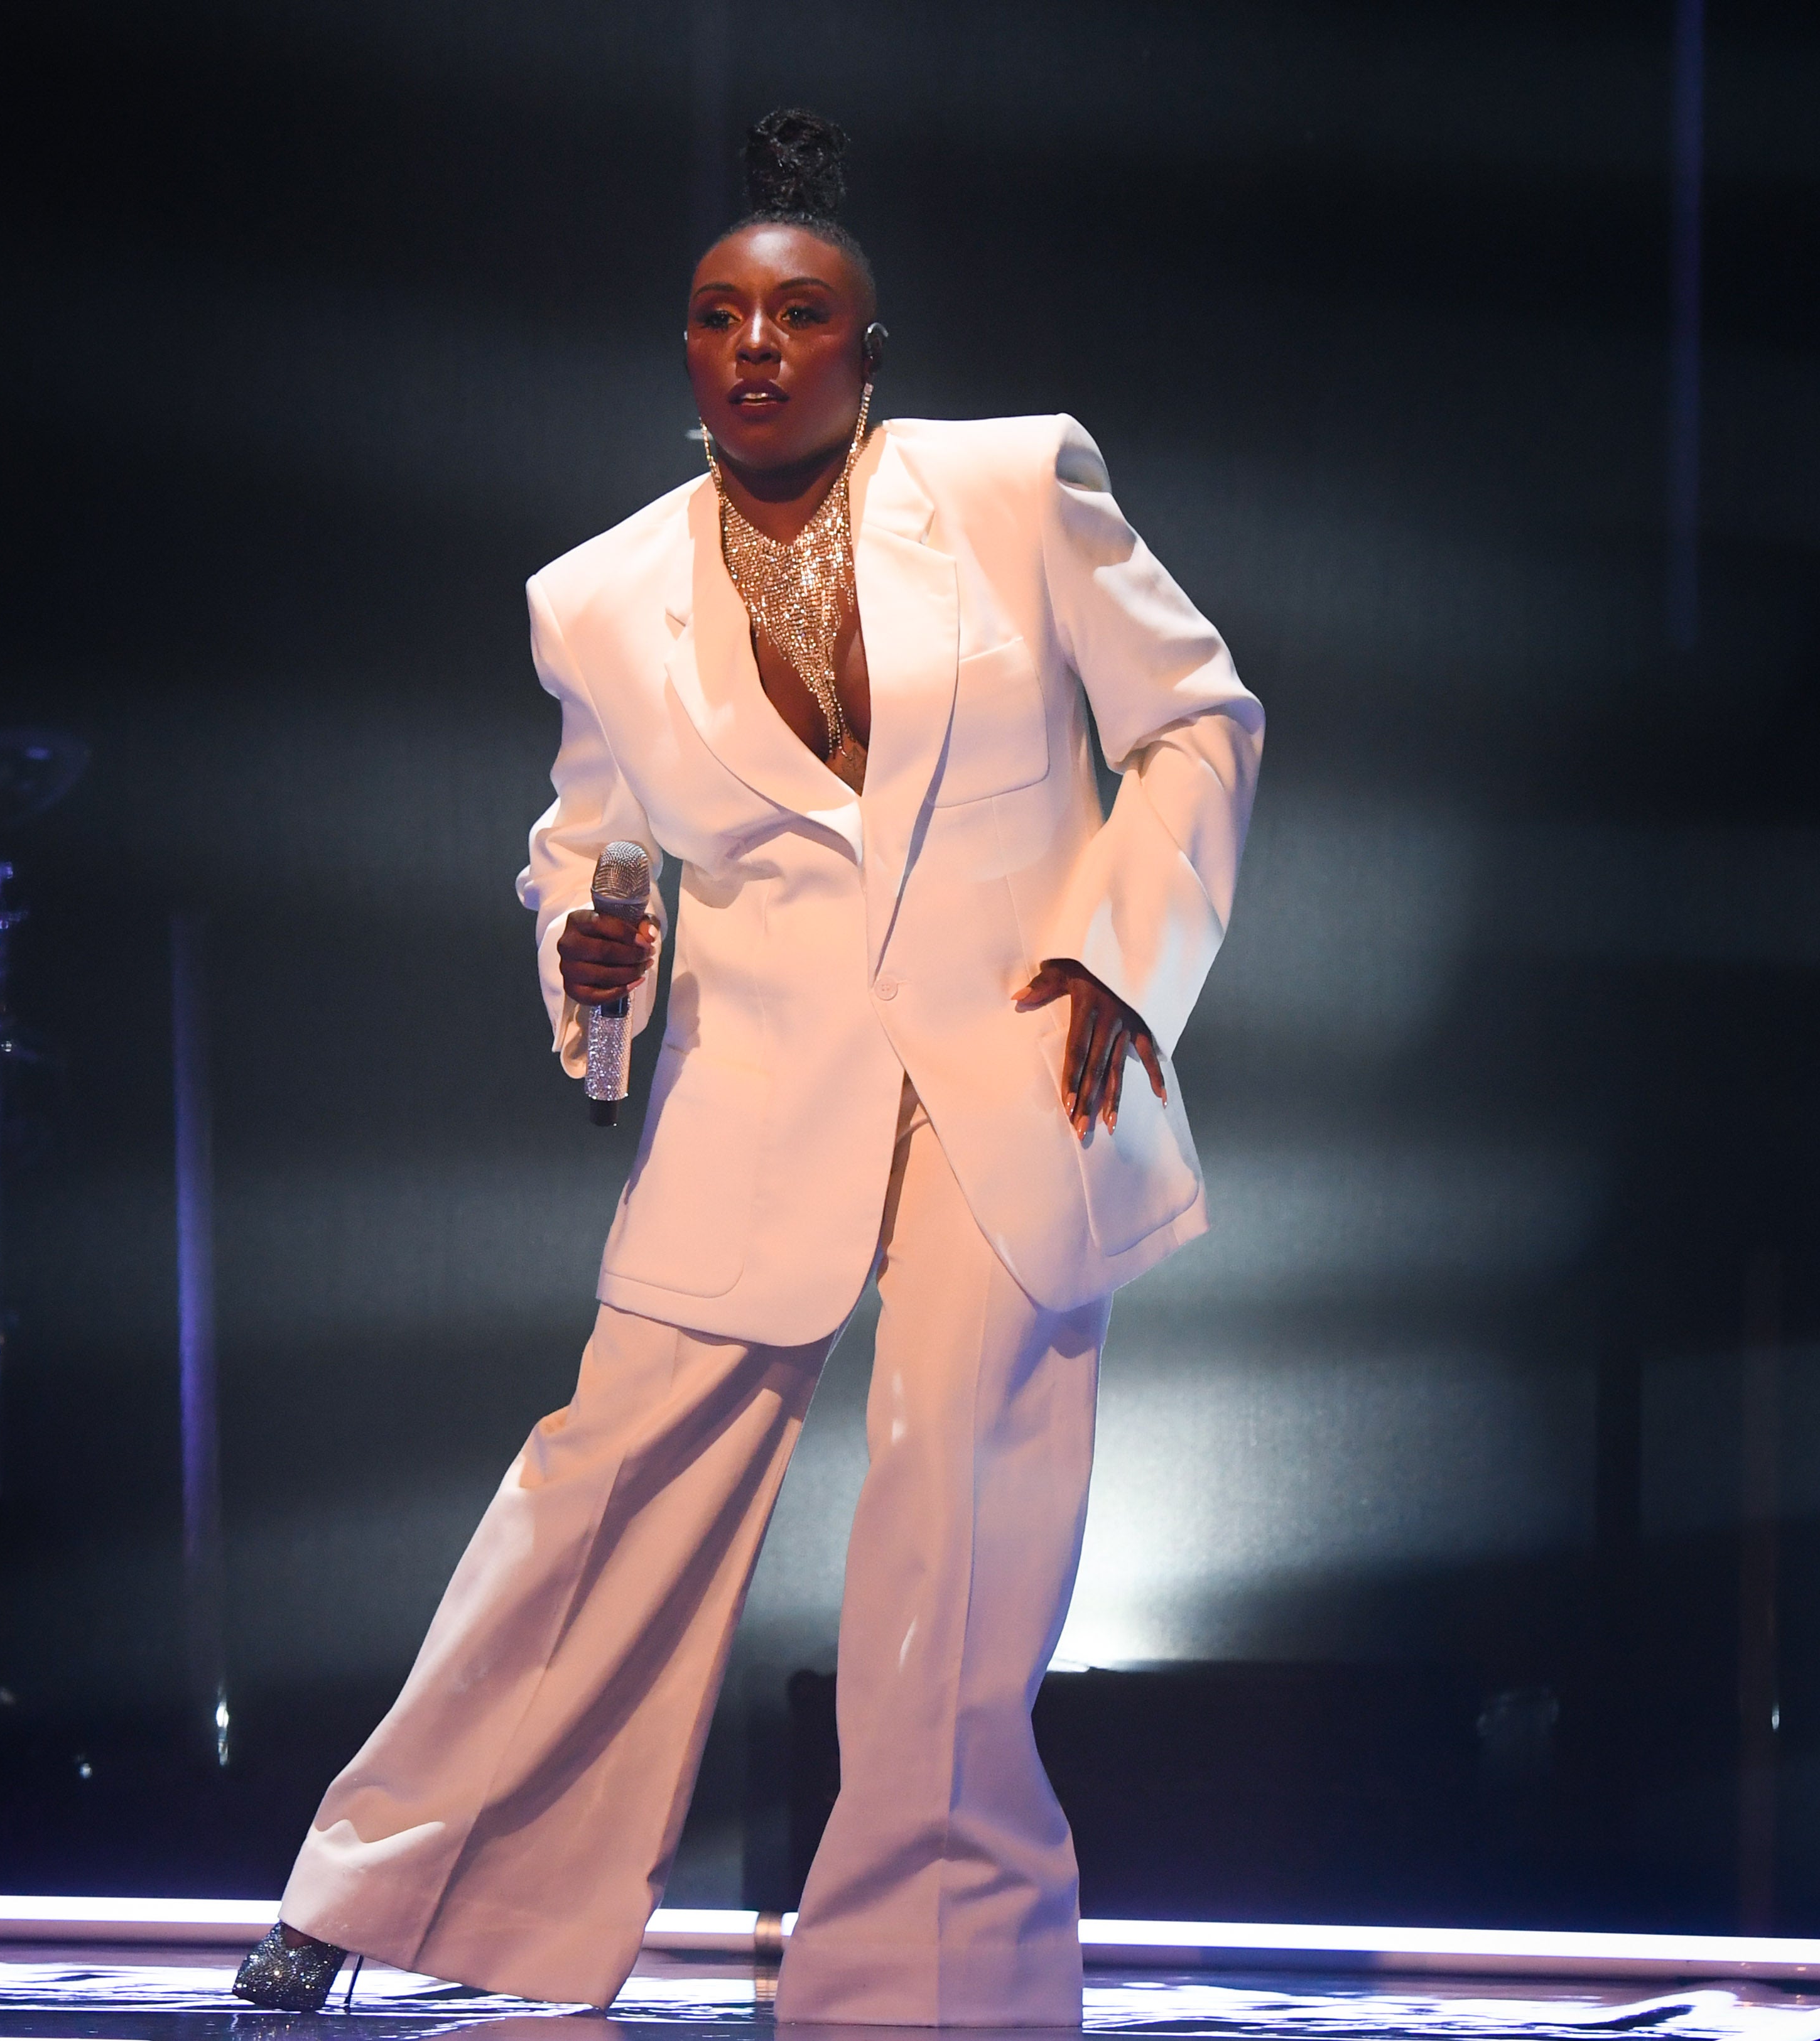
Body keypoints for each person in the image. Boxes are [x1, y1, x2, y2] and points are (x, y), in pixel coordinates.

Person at [237, 110, 1261, 2027]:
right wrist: (592, 953)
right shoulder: (598, 597)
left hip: (1018, 1071)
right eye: (718, 316)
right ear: (684, 352)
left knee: (953, 1533)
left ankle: (924, 1986)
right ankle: (392, 1890)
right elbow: (588, 850)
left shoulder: (1017, 485)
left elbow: (1196, 720)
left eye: (798, 312)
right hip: (751, 1089)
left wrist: (1123, 954)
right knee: (599, 1495)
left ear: (871, 354)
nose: (757, 343)